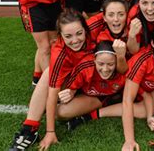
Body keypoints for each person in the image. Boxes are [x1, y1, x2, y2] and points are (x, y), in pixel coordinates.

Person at [8, 9, 96, 150]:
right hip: (78, 83)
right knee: (59, 108)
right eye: (68, 36)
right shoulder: (59, 53)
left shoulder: (94, 27)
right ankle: (29, 128)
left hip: (99, 85)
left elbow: (112, 15)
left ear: (86, 29)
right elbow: (52, 92)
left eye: (79, 33)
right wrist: (50, 131)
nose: (75, 40)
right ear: (60, 36)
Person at [56, 40, 127, 126]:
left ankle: (89, 111)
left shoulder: (123, 73)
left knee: (62, 112)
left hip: (101, 98)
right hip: (85, 91)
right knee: (57, 109)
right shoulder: (85, 67)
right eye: (100, 64)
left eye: (110, 64)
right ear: (94, 60)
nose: (105, 69)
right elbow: (72, 88)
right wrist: (71, 92)